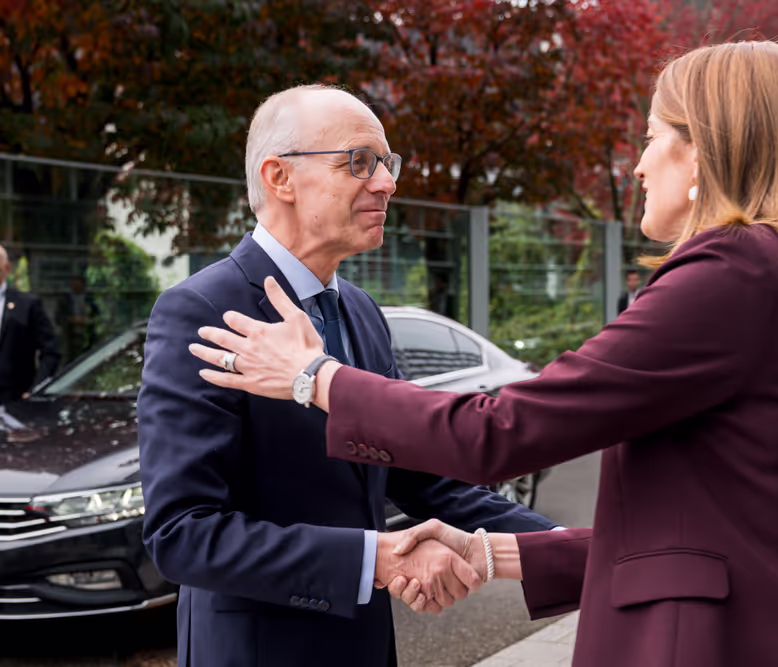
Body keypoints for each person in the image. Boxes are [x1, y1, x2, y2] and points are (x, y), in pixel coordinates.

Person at [193, 42, 778, 667]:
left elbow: (500, 430)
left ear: (702, 150)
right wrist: (493, 552)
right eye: (357, 162)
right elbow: (715, 534)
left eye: (650, 139)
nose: (639, 164)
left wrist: (314, 378)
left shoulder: (731, 274)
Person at [138, 85, 558, 667]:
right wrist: (376, 559)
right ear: (280, 178)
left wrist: (569, 549)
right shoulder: (202, 310)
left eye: (387, 164)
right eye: (360, 162)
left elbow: (423, 475)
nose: (386, 183)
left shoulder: (361, 311)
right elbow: (182, 534)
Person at [0, 244, 61, 404]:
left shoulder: (26, 304)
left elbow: (51, 351)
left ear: (6, 268)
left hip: (14, 400)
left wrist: (36, 389)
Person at [57, 274, 100, 361]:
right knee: (70, 358)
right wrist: (71, 319)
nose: (75, 285)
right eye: (73, 283)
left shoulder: (90, 298)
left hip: (87, 334)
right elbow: (58, 318)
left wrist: (87, 320)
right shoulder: (65, 299)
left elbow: (97, 315)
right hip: (70, 335)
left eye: (77, 283)